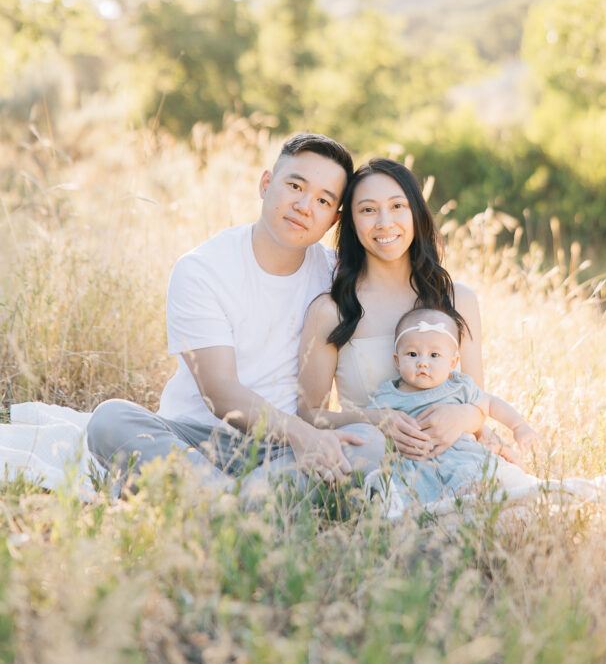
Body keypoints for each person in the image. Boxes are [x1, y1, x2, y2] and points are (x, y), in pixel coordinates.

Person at [86, 133, 385, 492]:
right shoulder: (203, 268)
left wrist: (464, 410)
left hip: (283, 452)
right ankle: (241, 503)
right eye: (295, 186)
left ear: (334, 220)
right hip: (195, 440)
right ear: (266, 184)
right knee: (109, 419)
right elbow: (220, 392)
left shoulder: (335, 276)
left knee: (367, 442)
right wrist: (301, 433)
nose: (305, 205)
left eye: (323, 200)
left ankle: (212, 501)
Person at [297, 157, 523, 466]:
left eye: (397, 206)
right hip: (375, 463)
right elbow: (309, 415)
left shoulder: (457, 300)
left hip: (453, 460)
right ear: (350, 222)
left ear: (416, 212)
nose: (384, 223)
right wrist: (377, 420)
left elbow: (476, 402)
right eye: (367, 210)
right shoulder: (331, 310)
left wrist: (460, 418)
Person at [370, 307, 538, 505]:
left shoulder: (458, 386)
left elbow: (491, 403)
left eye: (434, 355)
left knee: (482, 478)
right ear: (397, 361)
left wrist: (519, 426)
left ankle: (477, 497)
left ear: (453, 362)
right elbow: (371, 423)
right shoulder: (389, 395)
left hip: (462, 457)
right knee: (410, 496)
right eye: (413, 354)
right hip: (417, 465)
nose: (423, 362)